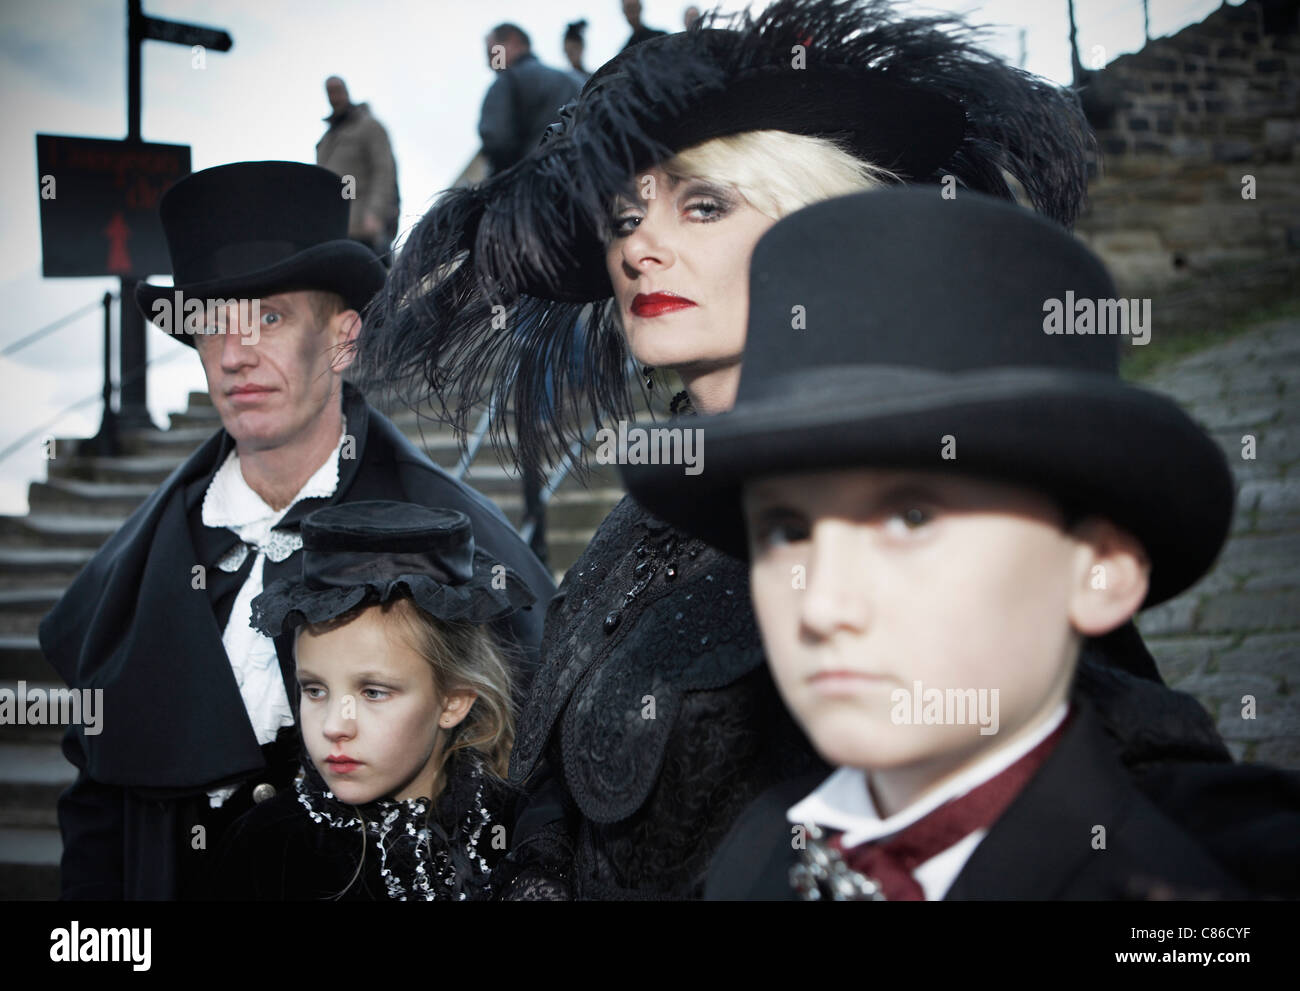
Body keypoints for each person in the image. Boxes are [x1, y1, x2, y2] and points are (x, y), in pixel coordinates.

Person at [357, 0, 1226, 900]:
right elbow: (557, 790)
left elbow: (1107, 747)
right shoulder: (641, 520)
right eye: (623, 219)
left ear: (815, 220)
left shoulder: (946, 464)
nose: (642, 247)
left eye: (703, 205)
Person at [621, 188, 1269, 900]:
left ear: (1100, 568)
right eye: (788, 530)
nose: (825, 603)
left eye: (914, 518)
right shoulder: (756, 855)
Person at [42, 161, 555, 901]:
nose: (237, 352)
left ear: (343, 340)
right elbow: (96, 819)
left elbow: (534, 793)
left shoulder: (455, 539)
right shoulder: (140, 557)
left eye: (271, 318)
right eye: (214, 323)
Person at [214, 501, 533, 900]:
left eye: (373, 693)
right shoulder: (266, 848)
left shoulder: (524, 829)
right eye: (314, 690)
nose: (334, 726)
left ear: (454, 700)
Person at [479, 23, 581, 177]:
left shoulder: (508, 80)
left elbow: (497, 139)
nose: (490, 64)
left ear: (513, 41)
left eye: (492, 53)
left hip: (537, 186)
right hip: (589, 182)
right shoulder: (576, 80)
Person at [316, 77, 400, 261]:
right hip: (333, 232)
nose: (335, 96)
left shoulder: (368, 127)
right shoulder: (326, 141)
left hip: (364, 227)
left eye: (337, 90)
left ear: (346, 91)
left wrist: (375, 213)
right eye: (330, 92)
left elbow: (383, 170)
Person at [563, 20, 592, 86]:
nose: (570, 54)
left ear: (581, 48)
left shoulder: (594, 80)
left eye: (574, 49)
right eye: (567, 51)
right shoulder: (564, 80)